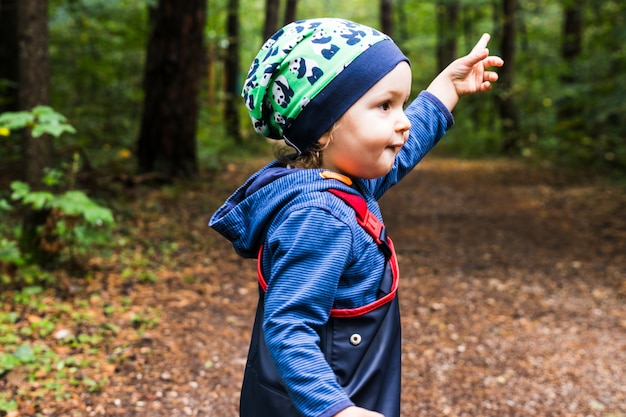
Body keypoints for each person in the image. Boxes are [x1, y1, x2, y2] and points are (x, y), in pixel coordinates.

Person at [209, 17, 503, 417]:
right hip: (327, 403)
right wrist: (336, 410)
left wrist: (448, 87)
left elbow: (406, 145)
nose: (401, 121)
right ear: (325, 127)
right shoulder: (319, 215)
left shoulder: (336, 181)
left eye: (401, 103)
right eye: (384, 106)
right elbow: (288, 327)